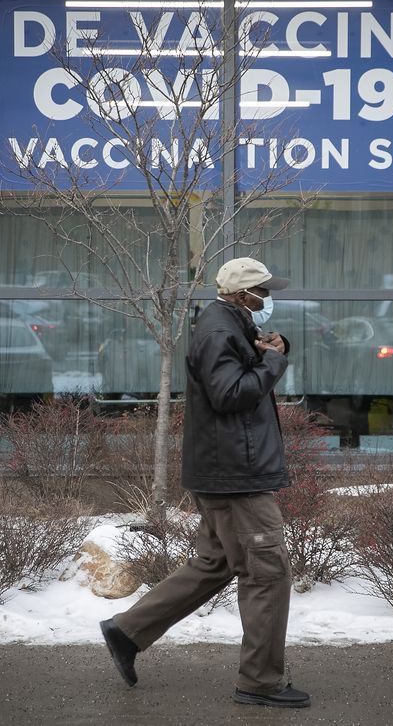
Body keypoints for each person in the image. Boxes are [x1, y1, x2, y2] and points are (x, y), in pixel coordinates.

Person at [99, 257, 310, 709]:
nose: (268, 299)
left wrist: (274, 347)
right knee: (267, 573)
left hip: (227, 469)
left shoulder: (229, 323)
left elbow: (236, 372)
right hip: (236, 476)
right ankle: (261, 683)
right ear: (241, 294)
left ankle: (127, 631)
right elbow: (230, 394)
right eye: (263, 291)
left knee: (216, 562)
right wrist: (274, 363)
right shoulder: (219, 330)